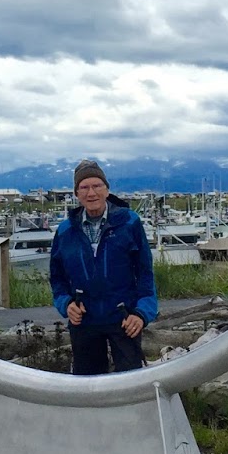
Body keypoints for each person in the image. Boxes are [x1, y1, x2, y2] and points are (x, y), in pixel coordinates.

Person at [49, 160, 158, 375]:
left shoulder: (129, 223)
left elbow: (145, 274)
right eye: (84, 187)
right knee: (88, 389)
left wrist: (142, 313)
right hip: (84, 320)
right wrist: (66, 303)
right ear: (76, 194)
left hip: (125, 318)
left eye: (97, 186)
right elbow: (57, 278)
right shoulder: (65, 231)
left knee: (130, 385)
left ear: (107, 189)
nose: (91, 193)